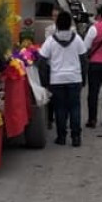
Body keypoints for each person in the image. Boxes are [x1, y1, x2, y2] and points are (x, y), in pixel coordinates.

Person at [38, 11, 87, 146]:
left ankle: (61, 137)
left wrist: (45, 81)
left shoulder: (50, 41)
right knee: (75, 108)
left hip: (56, 80)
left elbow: (41, 61)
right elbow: (84, 60)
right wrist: (83, 77)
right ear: (70, 23)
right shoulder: (77, 39)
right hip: (74, 79)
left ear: (57, 24)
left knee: (60, 109)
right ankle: (76, 137)